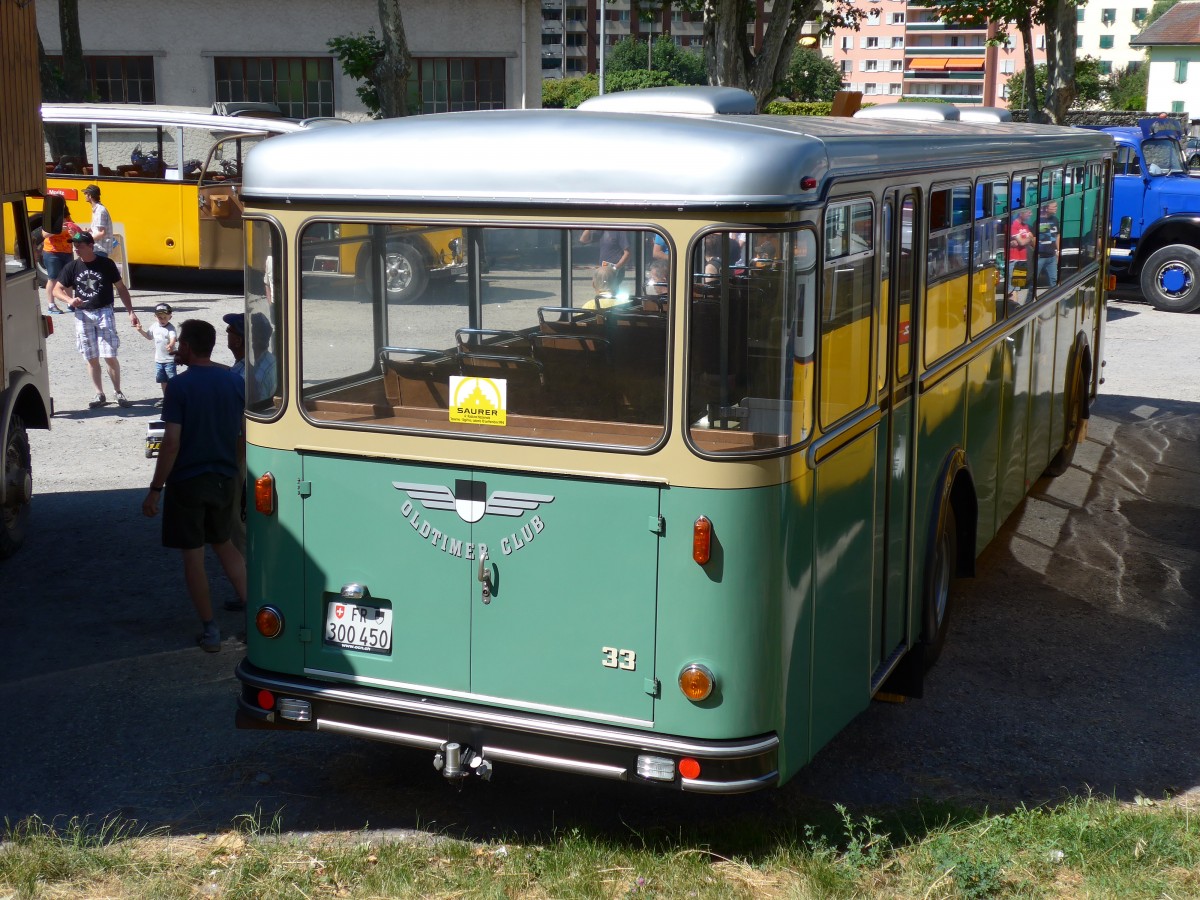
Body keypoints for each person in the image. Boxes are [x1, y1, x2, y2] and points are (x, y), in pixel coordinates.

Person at [141, 319, 247, 652]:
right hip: (224, 476)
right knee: (225, 544)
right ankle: (258, 616)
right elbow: (242, 436)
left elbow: (171, 442)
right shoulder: (234, 382)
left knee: (194, 557)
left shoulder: (180, 387)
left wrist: (155, 488)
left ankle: (211, 630)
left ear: (187, 346)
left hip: (188, 481)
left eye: (179, 344)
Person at [53, 231, 140, 408]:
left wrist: (131, 311)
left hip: (104, 311)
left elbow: (121, 288)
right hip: (83, 314)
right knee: (91, 356)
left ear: (91, 246)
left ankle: (118, 392)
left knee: (109, 354)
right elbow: (56, 289)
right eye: (75, 246)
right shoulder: (72, 267)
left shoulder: (106, 264)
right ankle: (99, 394)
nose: (76, 249)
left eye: (80, 246)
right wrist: (70, 300)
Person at [134, 302, 178, 406]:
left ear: (170, 317)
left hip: (170, 360)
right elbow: (149, 337)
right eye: (159, 317)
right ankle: (166, 398)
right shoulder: (154, 326)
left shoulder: (170, 328)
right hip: (159, 360)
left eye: (164, 317)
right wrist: (140, 330)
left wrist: (171, 344)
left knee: (172, 381)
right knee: (163, 381)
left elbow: (173, 338)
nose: (162, 319)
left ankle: (175, 398)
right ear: (155, 317)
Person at [41, 216, 78, 314]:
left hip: (67, 251)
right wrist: (59, 230)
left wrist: (73, 234)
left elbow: (75, 234)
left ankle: (70, 303)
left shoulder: (68, 218)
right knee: (53, 278)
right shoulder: (50, 219)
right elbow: (44, 234)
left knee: (68, 277)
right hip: (52, 252)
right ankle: (51, 305)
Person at [1008, 206, 1034, 305]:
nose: (1030, 214)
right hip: (1014, 260)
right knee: (1011, 288)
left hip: (1022, 260)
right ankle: (1011, 309)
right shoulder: (1014, 225)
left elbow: (1027, 241)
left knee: (1017, 287)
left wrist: (1028, 239)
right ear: (1021, 213)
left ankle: (1015, 308)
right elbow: (1022, 242)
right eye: (1028, 212)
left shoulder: (1025, 226)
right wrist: (1029, 238)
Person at [81, 184, 115, 257]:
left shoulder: (100, 211)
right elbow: (98, 230)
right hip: (97, 249)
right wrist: (89, 231)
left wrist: (86, 240)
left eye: (85, 193)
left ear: (90, 196)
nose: (84, 195)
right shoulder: (97, 210)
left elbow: (101, 233)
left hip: (99, 250)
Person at [1036, 199, 1060, 290]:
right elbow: (1034, 239)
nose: (1056, 209)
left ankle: (1055, 302)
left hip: (1052, 257)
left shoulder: (1055, 220)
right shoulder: (1038, 221)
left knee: (1053, 281)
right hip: (1040, 257)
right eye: (1054, 207)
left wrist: (1058, 251)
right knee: (1033, 281)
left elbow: (1057, 236)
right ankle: (1028, 302)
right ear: (1046, 208)